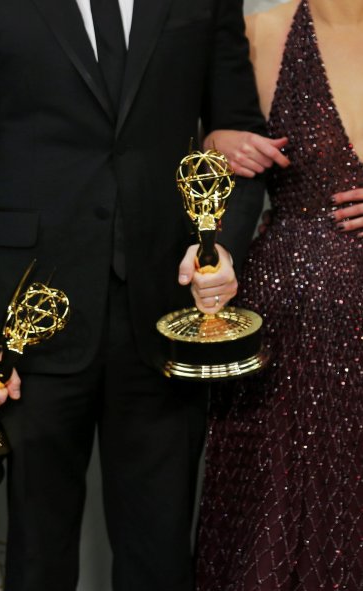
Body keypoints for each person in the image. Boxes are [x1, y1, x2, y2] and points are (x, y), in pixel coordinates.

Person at [0, 1, 272, 589]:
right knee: (38, 552)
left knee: (160, 551)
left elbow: (239, 139)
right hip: (30, 314)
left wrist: (222, 246)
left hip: (169, 308)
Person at [196, 1, 363, 588]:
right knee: (270, 507)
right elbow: (189, 135)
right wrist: (219, 141)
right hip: (286, 315)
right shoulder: (260, 31)